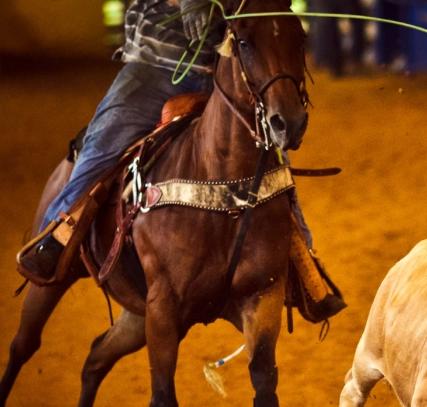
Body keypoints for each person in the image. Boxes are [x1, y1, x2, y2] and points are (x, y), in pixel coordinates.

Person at [20, 0, 326, 306]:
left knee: (271, 156)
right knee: (105, 141)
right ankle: (55, 239)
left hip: (229, 66)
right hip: (156, 65)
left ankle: (301, 265)